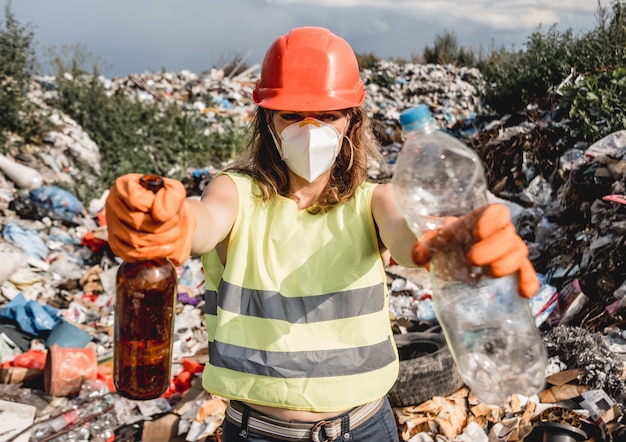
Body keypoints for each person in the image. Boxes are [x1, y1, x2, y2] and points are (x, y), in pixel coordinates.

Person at [105, 26, 539, 442]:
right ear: (267, 121)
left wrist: (453, 243)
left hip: (365, 429)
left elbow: (411, 240)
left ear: (351, 121)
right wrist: (171, 223)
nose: (310, 133)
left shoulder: (374, 201)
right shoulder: (235, 192)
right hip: (259, 433)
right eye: (292, 116)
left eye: (328, 115)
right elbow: (204, 220)